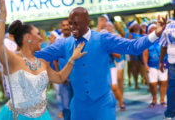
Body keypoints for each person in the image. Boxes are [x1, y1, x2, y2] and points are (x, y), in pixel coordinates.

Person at [34, 7, 167, 120]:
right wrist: (18, 55)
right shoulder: (64, 44)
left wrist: (156, 33)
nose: (72, 27)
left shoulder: (104, 39)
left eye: (76, 23)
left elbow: (133, 47)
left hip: (103, 104)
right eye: (70, 23)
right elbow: (37, 56)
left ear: (87, 22)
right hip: (78, 106)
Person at [0, 0, 87, 119]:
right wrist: (2, 18)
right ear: (28, 38)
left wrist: (72, 59)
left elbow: (59, 78)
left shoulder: (43, 61)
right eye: (37, 34)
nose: (41, 38)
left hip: (42, 116)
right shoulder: (13, 59)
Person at [143, 23, 168, 108]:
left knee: (163, 82)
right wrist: (145, 64)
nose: (154, 30)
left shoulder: (163, 38)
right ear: (149, 31)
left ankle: (162, 99)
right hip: (151, 65)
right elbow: (145, 53)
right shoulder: (147, 41)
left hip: (163, 64)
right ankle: (154, 99)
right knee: (153, 84)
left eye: (155, 29)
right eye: (151, 29)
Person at [159, 21, 175, 119]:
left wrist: (161, 61)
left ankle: (169, 114)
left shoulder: (168, 26)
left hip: (172, 59)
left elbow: (163, 46)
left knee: (172, 87)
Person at [127, 20, 143, 89]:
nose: (137, 26)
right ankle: (135, 82)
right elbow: (128, 45)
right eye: (135, 25)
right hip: (134, 54)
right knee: (134, 69)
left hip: (140, 54)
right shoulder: (131, 35)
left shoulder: (140, 34)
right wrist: (130, 55)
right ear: (132, 27)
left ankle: (141, 79)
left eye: (137, 25)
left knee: (140, 68)